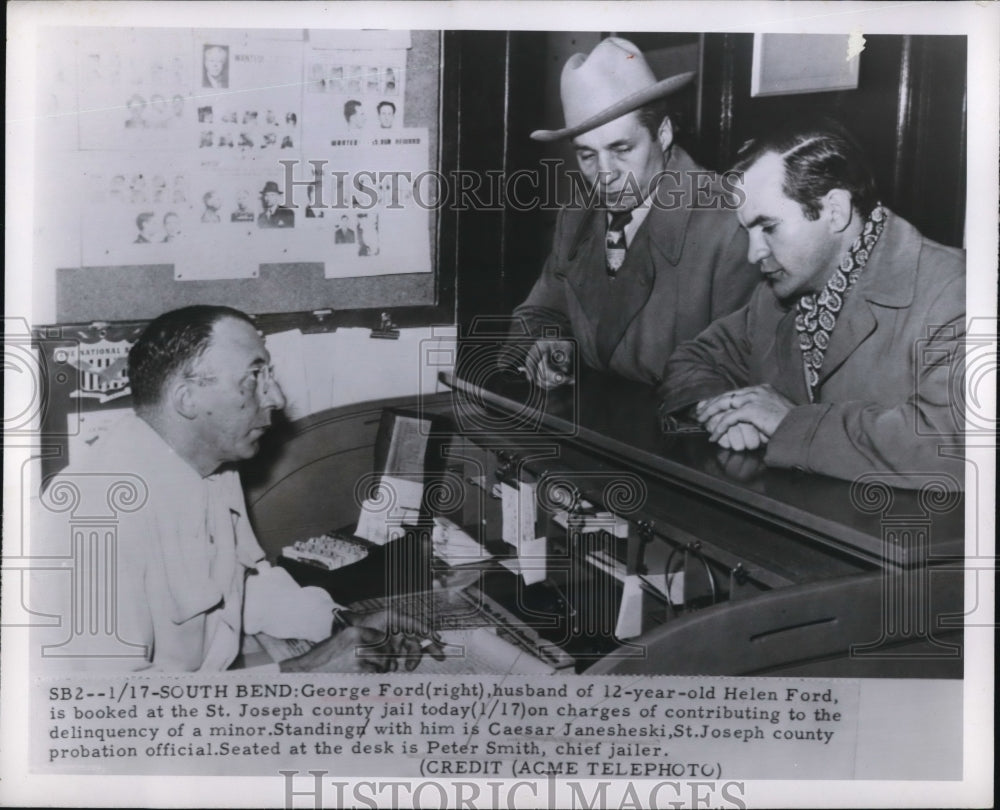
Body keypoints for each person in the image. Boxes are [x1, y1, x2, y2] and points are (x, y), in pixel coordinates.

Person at [36, 306, 436, 672]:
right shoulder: (91, 516)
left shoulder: (214, 468)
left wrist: (337, 621)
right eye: (253, 378)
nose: (276, 398)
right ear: (187, 399)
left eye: (270, 376)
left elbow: (239, 587)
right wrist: (304, 671)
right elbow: (116, 711)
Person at [658, 121, 966, 487]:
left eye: (768, 228)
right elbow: (694, 360)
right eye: (748, 232)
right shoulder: (777, 295)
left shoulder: (958, 291)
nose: (754, 254)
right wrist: (731, 411)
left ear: (834, 210)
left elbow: (955, 446)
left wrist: (789, 424)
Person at [507, 37, 757, 388]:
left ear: (664, 133)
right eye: (587, 155)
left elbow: (743, 373)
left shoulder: (730, 224)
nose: (605, 174)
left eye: (621, 148)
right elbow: (541, 312)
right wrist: (549, 343)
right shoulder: (577, 216)